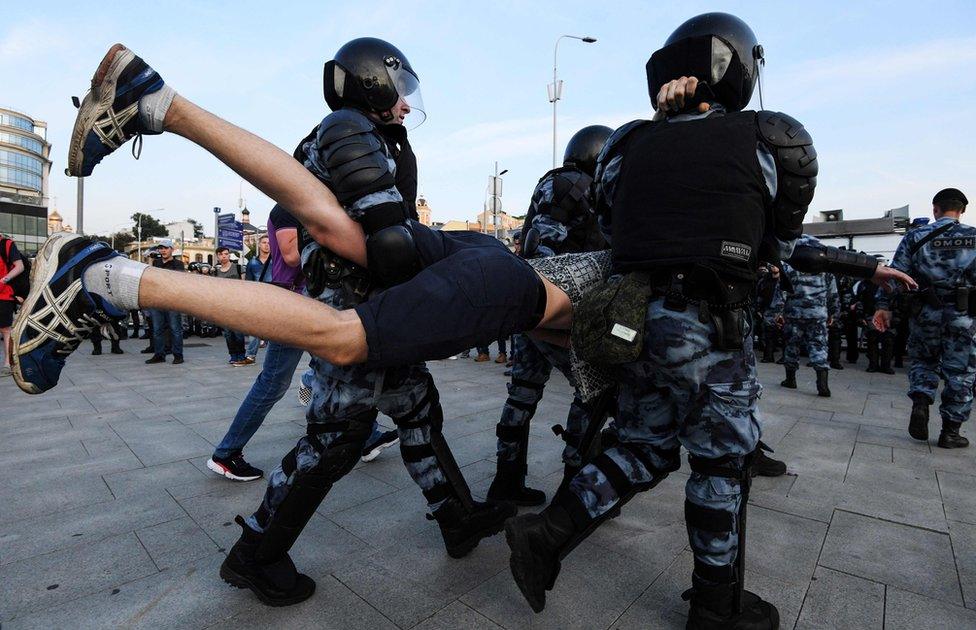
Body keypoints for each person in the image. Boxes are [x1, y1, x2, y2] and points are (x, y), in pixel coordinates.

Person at [11, 40, 913, 612]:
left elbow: (645, 222)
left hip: (505, 277)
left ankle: (161, 105)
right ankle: (117, 276)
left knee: (343, 237)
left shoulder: (628, 201)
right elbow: (776, 226)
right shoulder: (653, 275)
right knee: (346, 337)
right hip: (494, 285)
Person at [501, 14, 912, 628]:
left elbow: (619, 229)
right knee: (721, 465)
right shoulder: (766, 142)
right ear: (740, 66)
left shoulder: (624, 146)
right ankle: (716, 608)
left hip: (636, 322)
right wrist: (863, 267)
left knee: (641, 448)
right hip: (710, 325)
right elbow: (781, 242)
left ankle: (546, 536)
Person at [487, 124, 615, 506]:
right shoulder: (574, 186)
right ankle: (574, 491)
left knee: (522, 395)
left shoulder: (560, 184)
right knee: (593, 390)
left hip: (531, 307)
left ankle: (506, 482)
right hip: (551, 308)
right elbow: (545, 250)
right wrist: (554, 319)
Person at [875, 188, 975, 449]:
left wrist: (884, 306)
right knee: (961, 372)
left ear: (935, 209)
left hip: (925, 313)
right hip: (963, 316)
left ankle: (921, 401)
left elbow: (894, 275)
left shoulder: (915, 236)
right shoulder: (974, 237)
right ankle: (950, 431)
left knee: (923, 360)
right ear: (962, 210)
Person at [778, 238, 840, 397]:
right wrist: (833, 313)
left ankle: (790, 380)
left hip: (794, 314)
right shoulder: (825, 268)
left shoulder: (789, 267)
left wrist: (775, 313)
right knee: (819, 346)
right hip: (818, 314)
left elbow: (781, 293)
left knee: (792, 346)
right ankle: (822, 385)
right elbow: (832, 293)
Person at [145, 240, 185, 365]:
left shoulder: (178, 264)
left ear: (171, 249)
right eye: (161, 248)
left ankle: (178, 355)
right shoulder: (156, 263)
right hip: (157, 301)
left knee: (175, 329)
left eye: (165, 248)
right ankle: (159, 354)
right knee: (157, 329)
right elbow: (150, 277)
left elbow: (175, 280)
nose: (163, 250)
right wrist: (150, 262)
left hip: (172, 300)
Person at [212, 246, 249, 365]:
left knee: (238, 332)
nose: (224, 256)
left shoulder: (238, 268)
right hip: (224, 306)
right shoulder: (216, 272)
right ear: (218, 256)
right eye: (222, 254)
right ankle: (233, 355)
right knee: (228, 333)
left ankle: (241, 355)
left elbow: (244, 286)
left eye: (226, 254)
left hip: (237, 304)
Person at [243, 235, 272, 363]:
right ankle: (250, 355)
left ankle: (272, 357)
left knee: (274, 328)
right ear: (259, 245)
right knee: (254, 327)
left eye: (269, 243)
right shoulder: (252, 263)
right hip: (257, 298)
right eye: (264, 242)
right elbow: (248, 282)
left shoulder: (276, 261)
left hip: (274, 298)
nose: (267, 245)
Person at [0, 234, 25, 376]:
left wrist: (4, 280)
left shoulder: (6, 244)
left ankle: (8, 363)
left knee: (5, 329)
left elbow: (19, 266)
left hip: (4, 293)